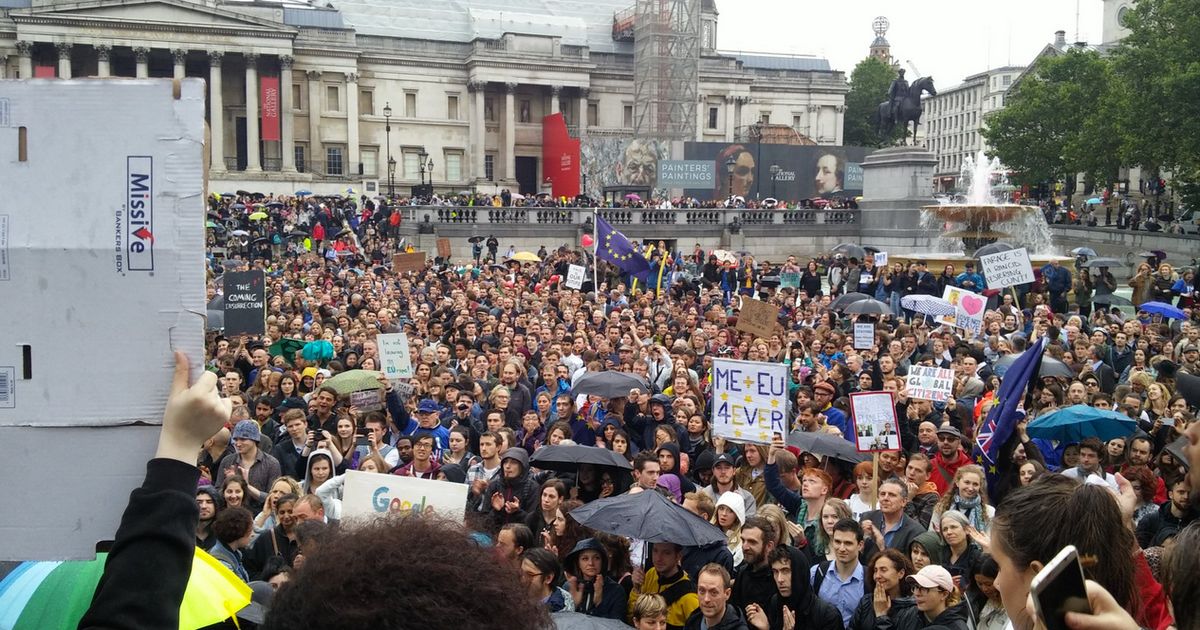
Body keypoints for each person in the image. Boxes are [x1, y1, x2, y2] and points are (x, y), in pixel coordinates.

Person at [747, 543, 843, 630]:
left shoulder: (827, 615)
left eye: (785, 571)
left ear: (799, 572)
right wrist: (767, 627)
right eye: (775, 572)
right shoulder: (775, 603)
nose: (780, 579)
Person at [871, 564, 970, 630]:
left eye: (924, 588)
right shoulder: (909, 615)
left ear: (944, 594)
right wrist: (882, 617)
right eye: (915, 587)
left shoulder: (957, 627)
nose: (917, 593)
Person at [627, 541, 700, 630]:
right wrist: (636, 588)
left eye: (666, 553)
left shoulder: (690, 596)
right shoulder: (650, 574)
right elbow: (632, 616)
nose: (658, 558)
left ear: (678, 556)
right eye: (655, 551)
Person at [216, 419, 282, 512]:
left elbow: (273, 498)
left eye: (243, 439)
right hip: (231, 514)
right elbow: (217, 494)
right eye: (235, 439)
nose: (238, 443)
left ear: (255, 439)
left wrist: (247, 487)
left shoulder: (271, 464)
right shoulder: (227, 461)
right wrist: (229, 483)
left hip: (260, 515)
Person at [812, 518, 866, 628]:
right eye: (837, 542)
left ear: (860, 545)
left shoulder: (869, 579)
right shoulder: (817, 573)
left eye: (848, 543)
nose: (841, 548)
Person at [860, 478, 926, 562]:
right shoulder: (867, 517)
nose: (885, 498)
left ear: (904, 502)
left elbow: (908, 565)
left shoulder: (915, 531)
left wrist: (882, 546)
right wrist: (864, 539)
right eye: (882, 494)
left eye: (892, 495)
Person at [851, 549, 914, 630]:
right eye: (875, 570)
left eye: (883, 570)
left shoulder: (912, 609)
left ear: (901, 573)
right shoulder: (866, 602)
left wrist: (881, 616)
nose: (877, 576)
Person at [564, 538, 626, 619]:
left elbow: (617, 625)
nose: (591, 563)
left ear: (603, 561)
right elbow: (561, 622)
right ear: (578, 563)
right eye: (585, 559)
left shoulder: (616, 591)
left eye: (596, 558)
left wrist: (599, 604)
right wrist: (573, 606)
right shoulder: (569, 587)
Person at [730, 516, 779, 613]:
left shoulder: (778, 578)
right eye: (743, 540)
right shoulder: (743, 572)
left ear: (769, 546)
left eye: (752, 542)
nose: (745, 547)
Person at [686, 564, 749, 630]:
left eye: (714, 593)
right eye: (702, 591)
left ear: (727, 594)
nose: (706, 599)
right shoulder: (692, 621)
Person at [208, 506, 255, 582]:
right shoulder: (223, 564)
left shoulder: (235, 554)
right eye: (250, 531)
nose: (253, 534)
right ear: (239, 532)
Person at [522, 547, 574, 613]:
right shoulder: (516, 597)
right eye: (521, 573)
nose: (523, 579)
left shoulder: (561, 608)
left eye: (530, 575)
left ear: (548, 578)